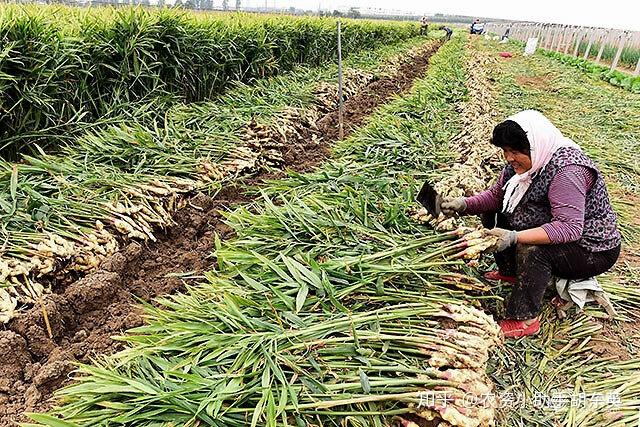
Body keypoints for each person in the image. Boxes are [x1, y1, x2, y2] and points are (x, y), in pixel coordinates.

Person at [440, 110, 621, 339]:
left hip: (591, 249)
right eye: (505, 151)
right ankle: (511, 272)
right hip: (564, 232)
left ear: (535, 146)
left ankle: (525, 319)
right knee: (502, 211)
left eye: (515, 151)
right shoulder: (523, 164)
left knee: (533, 248)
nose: (508, 158)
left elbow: (570, 228)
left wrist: (514, 237)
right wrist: (463, 205)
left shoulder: (568, 170)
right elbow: (497, 197)